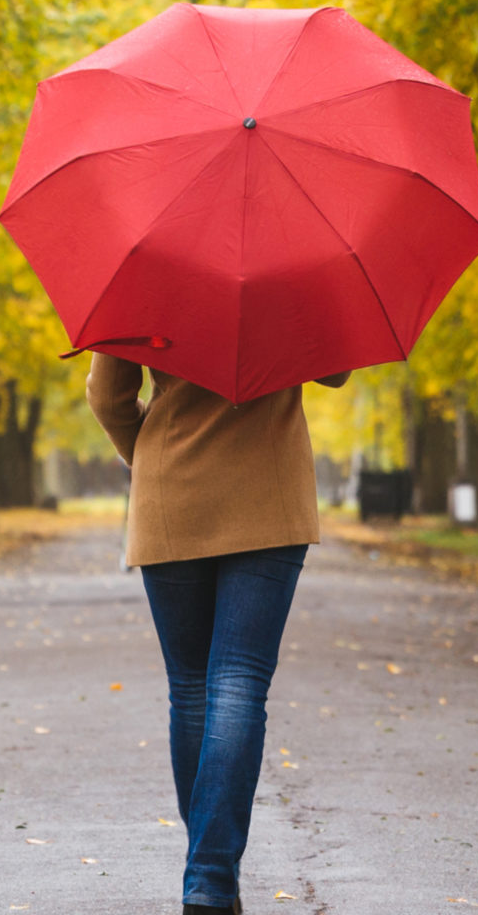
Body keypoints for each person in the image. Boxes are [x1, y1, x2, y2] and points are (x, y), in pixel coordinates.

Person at [87, 354, 349, 915]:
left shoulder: (146, 273)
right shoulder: (291, 268)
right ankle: (209, 877)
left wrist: (154, 453)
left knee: (191, 687)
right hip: (269, 495)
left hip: (172, 493)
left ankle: (208, 877)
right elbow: (333, 370)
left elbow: (108, 397)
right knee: (239, 682)